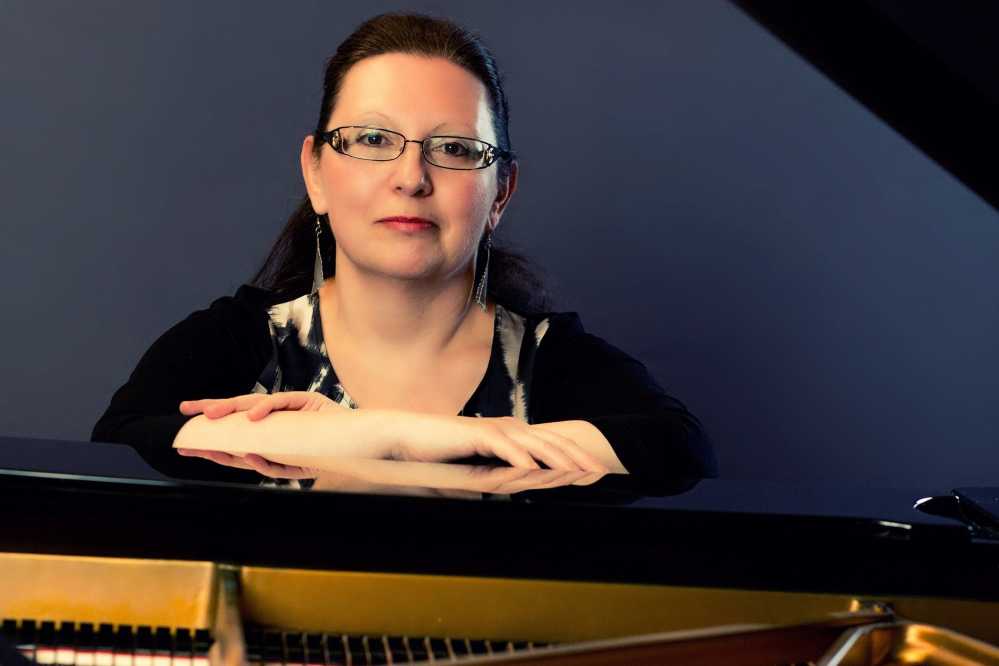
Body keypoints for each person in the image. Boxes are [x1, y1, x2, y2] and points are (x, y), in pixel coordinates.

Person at [91, 12, 716, 491]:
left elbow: (680, 453)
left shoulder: (553, 362)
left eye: (454, 149)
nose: (411, 178)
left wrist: (370, 441)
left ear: (500, 193)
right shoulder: (235, 341)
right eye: (372, 139)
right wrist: (398, 436)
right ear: (316, 173)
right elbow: (123, 444)